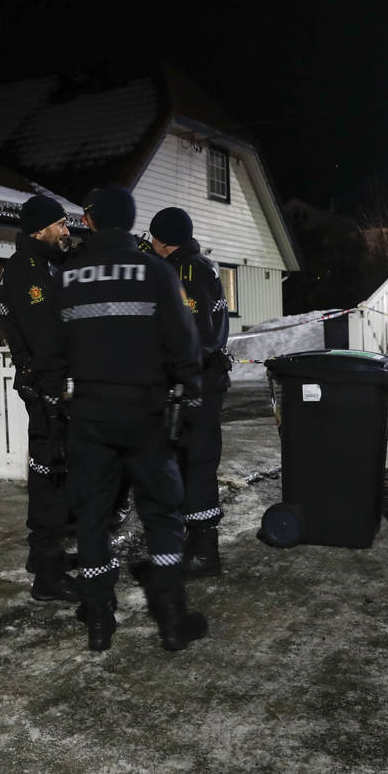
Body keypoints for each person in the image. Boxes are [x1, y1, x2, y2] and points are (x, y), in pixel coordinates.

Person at [36, 185, 208, 652]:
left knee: (92, 516)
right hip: (147, 413)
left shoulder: (67, 276)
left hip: (89, 414)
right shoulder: (154, 270)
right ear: (130, 222)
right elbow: (183, 340)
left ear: (91, 222)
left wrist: (52, 409)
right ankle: (171, 621)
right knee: (161, 513)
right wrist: (189, 396)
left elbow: (49, 353)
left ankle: (98, 623)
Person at [0, 195, 79, 603]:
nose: (67, 231)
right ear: (38, 229)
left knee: (54, 476)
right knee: (49, 479)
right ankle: (47, 577)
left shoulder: (47, 264)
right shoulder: (25, 271)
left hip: (52, 386)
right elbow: (47, 338)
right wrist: (57, 388)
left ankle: (42, 557)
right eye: (61, 224)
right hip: (48, 389)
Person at [148, 207, 232, 577]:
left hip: (197, 382)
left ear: (165, 240)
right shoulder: (201, 264)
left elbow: (196, 333)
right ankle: (193, 543)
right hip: (201, 379)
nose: (150, 244)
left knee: (196, 463)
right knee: (187, 462)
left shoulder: (187, 270)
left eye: (153, 238)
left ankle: (204, 554)